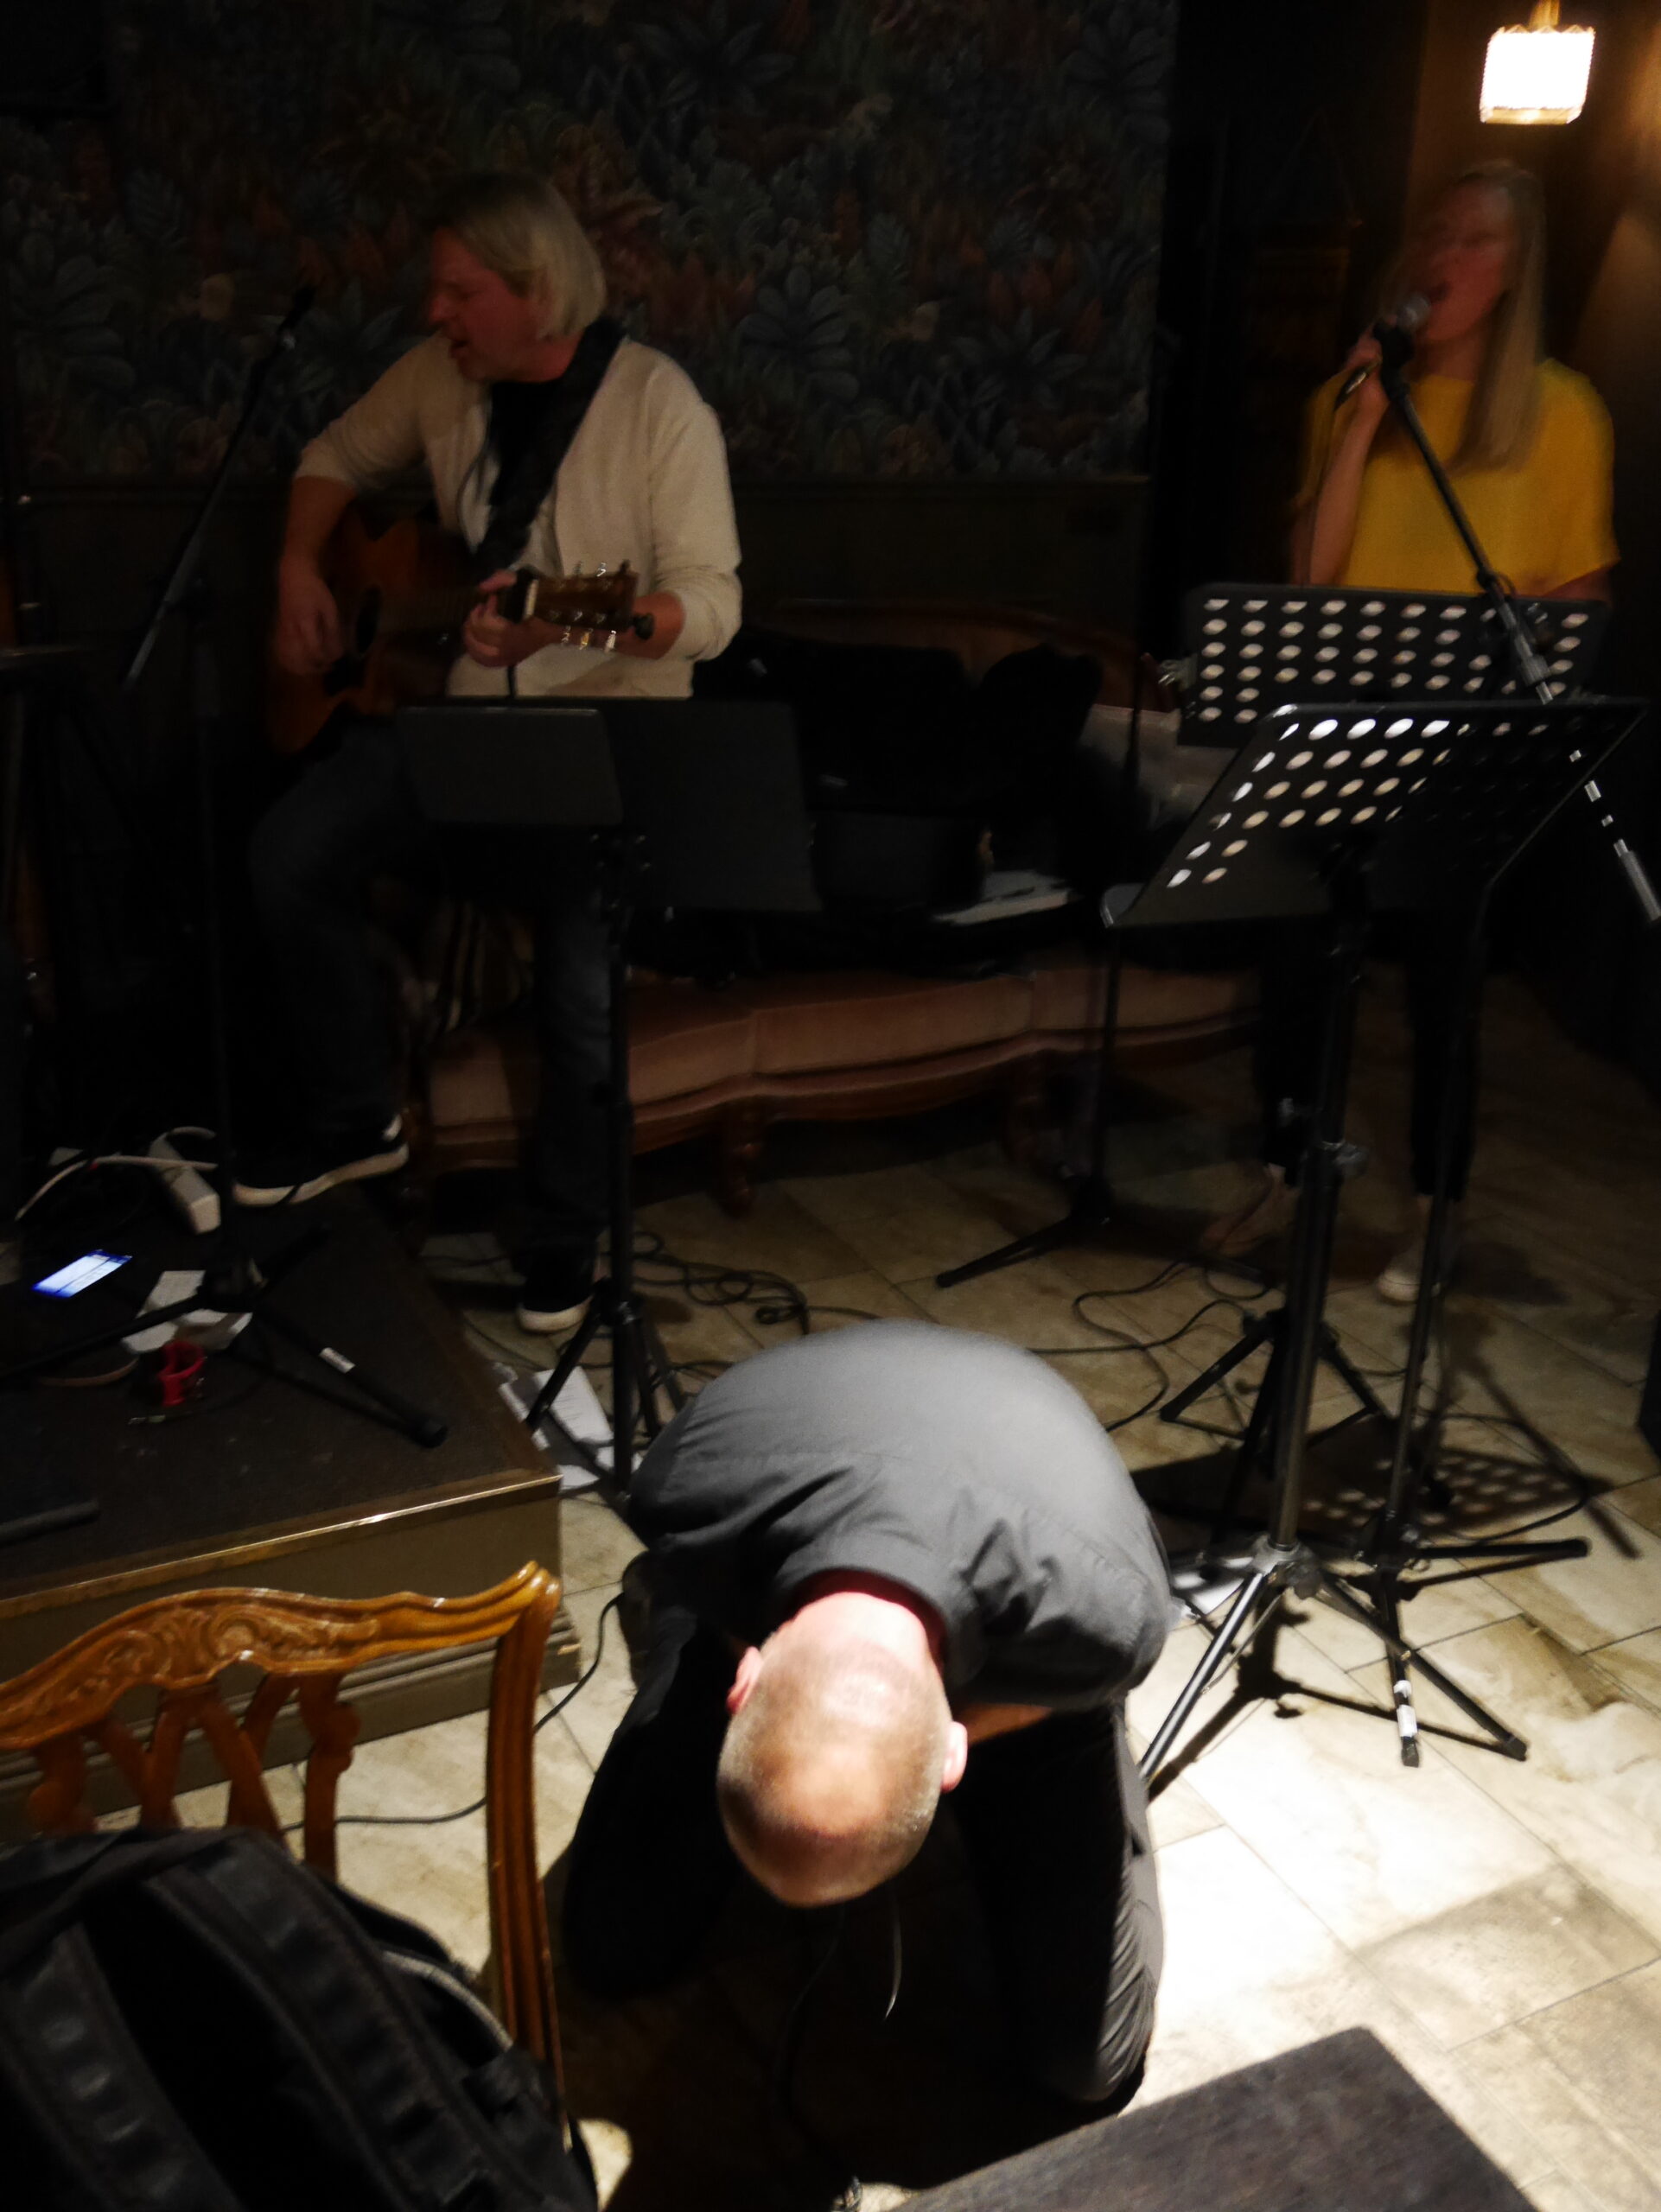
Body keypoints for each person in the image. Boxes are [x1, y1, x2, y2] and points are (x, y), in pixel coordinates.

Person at [241, 172, 741, 1331]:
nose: (435, 313)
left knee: (579, 983)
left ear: (536, 289)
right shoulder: (440, 378)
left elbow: (710, 608)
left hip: (609, 740)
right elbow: (330, 453)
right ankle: (355, 1117)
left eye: (459, 292)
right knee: (287, 852)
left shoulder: (658, 403)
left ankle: (565, 1238)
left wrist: (558, 617)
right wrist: (297, 566)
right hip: (471, 723)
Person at [558, 1320, 1172, 2107]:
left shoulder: (1106, 1621)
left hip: (1036, 1640)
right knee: (610, 1950)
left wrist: (1006, 1718)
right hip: (767, 1524)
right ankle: (683, 1620)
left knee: (1085, 2068)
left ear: (959, 1751)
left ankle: (1081, 1743)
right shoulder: (683, 1499)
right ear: (744, 1677)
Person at [1206, 162, 1616, 1300]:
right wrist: (1357, 428)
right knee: (1297, 961)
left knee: (1444, 984)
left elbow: (1581, 597)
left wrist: (1533, 676)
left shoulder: (1561, 414)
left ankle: (1435, 1205)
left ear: (1515, 271)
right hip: (1343, 731)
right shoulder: (1348, 400)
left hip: (1466, 743)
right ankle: (1285, 1169)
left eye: (1474, 241)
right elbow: (1308, 577)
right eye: (1434, 233)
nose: (1443, 258)